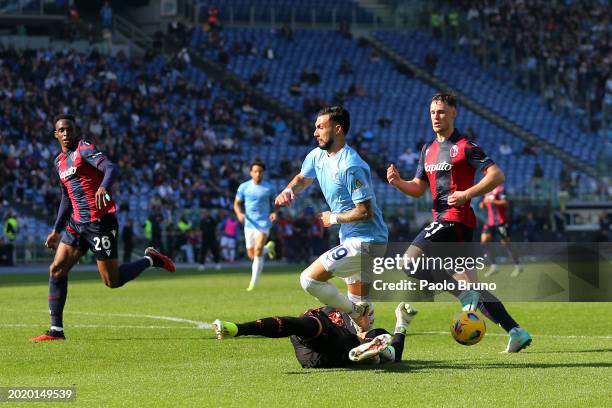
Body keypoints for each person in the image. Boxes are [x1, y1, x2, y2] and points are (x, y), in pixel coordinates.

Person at [386, 93, 531, 353]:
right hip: (447, 222)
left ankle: (463, 295)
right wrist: (398, 183)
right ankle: (516, 331)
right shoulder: (427, 150)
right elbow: (419, 188)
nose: (436, 117)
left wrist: (466, 194)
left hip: (456, 219)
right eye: (432, 112)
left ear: (454, 113)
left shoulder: (465, 146)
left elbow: (497, 175)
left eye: (441, 112)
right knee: (473, 289)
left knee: (408, 262)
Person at [30, 114, 175, 342]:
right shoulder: (58, 162)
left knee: (112, 281)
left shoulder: (84, 149)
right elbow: (66, 198)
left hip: (100, 222)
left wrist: (103, 187)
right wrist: (56, 230)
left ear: (76, 131)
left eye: (69, 129)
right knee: (57, 269)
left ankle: (152, 260)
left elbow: (111, 168)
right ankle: (56, 331)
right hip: (77, 224)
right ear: (55, 134)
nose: (66, 134)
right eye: (62, 130)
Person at [274, 106, 388, 332]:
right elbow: (302, 178)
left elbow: (365, 211)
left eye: (320, 127)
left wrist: (332, 218)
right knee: (360, 320)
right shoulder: (317, 155)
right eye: (315, 127)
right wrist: (289, 190)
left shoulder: (350, 165)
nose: (315, 132)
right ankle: (371, 346)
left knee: (309, 280)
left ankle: (358, 313)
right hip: (350, 239)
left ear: (337, 129)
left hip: (366, 242)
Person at [213, 302, 417, 368]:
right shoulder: (335, 312)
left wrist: (402, 322)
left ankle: (375, 355)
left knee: (377, 335)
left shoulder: (364, 326)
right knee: (303, 325)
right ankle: (377, 356)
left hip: (320, 356)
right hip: (324, 341)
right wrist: (402, 323)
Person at [234, 160, 277, 291]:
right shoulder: (243, 187)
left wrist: (274, 212)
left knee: (258, 250)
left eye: (260, 171)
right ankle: (269, 248)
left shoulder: (269, 188)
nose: (258, 174)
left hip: (264, 223)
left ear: (263, 173)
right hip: (249, 224)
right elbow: (236, 203)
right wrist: (239, 214)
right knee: (252, 255)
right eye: (255, 171)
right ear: (251, 172)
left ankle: (253, 284)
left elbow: (275, 204)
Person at [479, 185, 522, 277]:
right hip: (490, 222)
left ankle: (518, 265)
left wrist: (493, 201)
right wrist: (483, 203)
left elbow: (506, 203)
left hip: (501, 222)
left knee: (506, 244)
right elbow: (481, 204)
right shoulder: (487, 189)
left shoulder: (500, 189)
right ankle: (494, 266)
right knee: (484, 241)